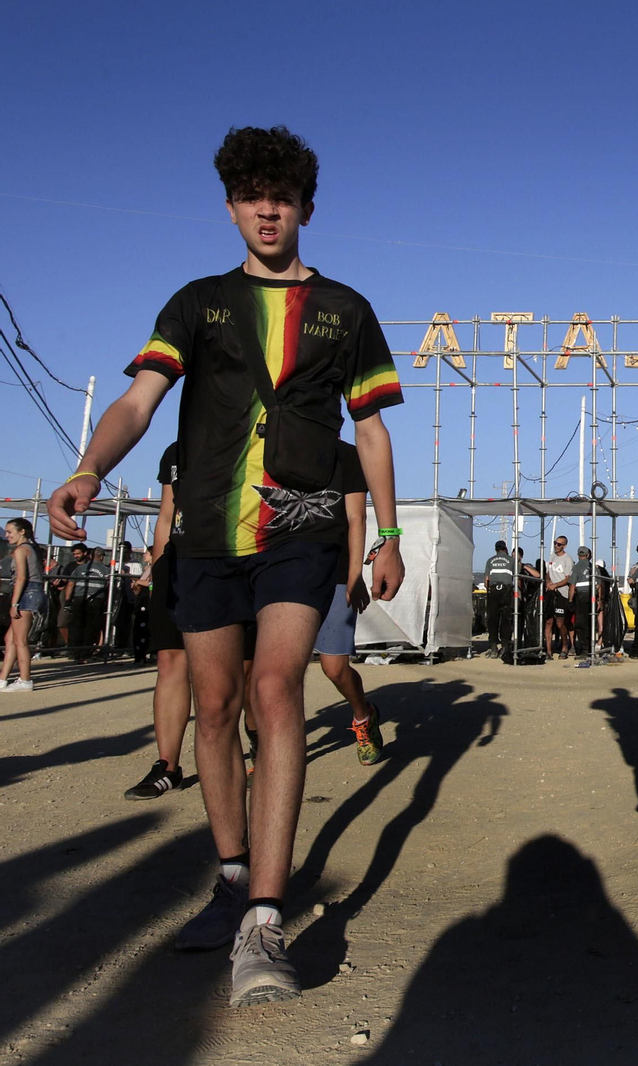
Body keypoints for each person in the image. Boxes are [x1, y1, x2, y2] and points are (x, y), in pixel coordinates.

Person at [49, 125, 405, 1005]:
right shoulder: (196, 303)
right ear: (231, 207)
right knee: (213, 706)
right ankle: (233, 875)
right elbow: (139, 398)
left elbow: (370, 427)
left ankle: (266, 920)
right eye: (252, 194)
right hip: (206, 532)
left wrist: (388, 534)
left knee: (274, 690)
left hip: (303, 524)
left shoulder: (347, 309)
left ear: (307, 208)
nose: (268, 208)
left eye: (282, 195)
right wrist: (90, 468)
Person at [124, 442, 196, 799]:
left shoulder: (255, 435)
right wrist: (157, 569)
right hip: (177, 564)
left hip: (234, 562)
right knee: (170, 658)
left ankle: (257, 742)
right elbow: (166, 516)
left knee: (239, 669)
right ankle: (168, 766)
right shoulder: (174, 452)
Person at [313, 441, 383, 766]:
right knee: (275, 673)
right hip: (282, 575)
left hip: (335, 574)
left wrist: (356, 575)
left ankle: (363, 716)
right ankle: (268, 752)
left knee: (334, 668)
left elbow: (357, 518)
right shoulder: (269, 448)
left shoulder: (347, 456)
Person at [1, 518, 44, 692]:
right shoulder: (30, 548)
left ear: (22, 532)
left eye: (10, 532)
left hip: (27, 593)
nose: (7, 535)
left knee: (20, 640)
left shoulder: (21, 550)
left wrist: (15, 603)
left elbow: (21, 578)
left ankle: (25, 680)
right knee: (10, 638)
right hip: (31, 592)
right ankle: (3, 678)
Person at [483, 539, 516, 658]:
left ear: (496, 550)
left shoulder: (490, 561)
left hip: (493, 591)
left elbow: (486, 579)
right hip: (506, 591)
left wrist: (489, 591)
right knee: (506, 619)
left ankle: (493, 647)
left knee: (493, 619)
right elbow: (516, 576)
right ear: (505, 549)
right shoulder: (511, 560)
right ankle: (505, 645)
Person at [544, 535, 573, 658]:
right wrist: (548, 583)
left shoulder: (568, 559)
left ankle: (565, 646)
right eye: (555, 543)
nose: (556, 546)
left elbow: (567, 578)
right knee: (548, 621)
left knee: (560, 622)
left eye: (559, 544)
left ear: (564, 546)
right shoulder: (552, 557)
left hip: (562, 593)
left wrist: (555, 584)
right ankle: (548, 650)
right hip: (551, 592)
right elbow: (548, 573)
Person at [570, 545, 598, 656]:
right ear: (588, 555)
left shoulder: (576, 568)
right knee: (591, 622)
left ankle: (585, 649)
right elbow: (599, 586)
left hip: (581, 597)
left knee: (580, 624)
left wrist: (570, 600)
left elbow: (572, 585)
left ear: (578, 555)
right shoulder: (594, 568)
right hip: (592, 598)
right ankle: (591, 647)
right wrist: (599, 599)